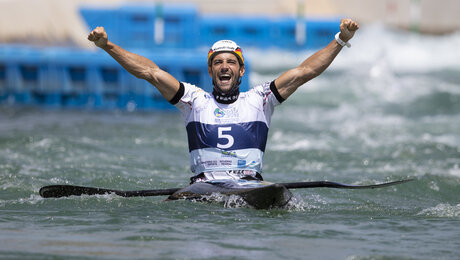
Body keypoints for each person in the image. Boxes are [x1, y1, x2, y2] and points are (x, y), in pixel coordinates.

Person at [88, 19, 359, 184]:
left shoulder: (261, 99)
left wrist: (340, 40)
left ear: (241, 71)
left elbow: (304, 72)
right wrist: (107, 46)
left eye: (231, 62)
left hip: (250, 185)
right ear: (210, 71)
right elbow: (150, 72)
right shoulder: (193, 101)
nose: (224, 66)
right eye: (218, 62)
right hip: (204, 187)